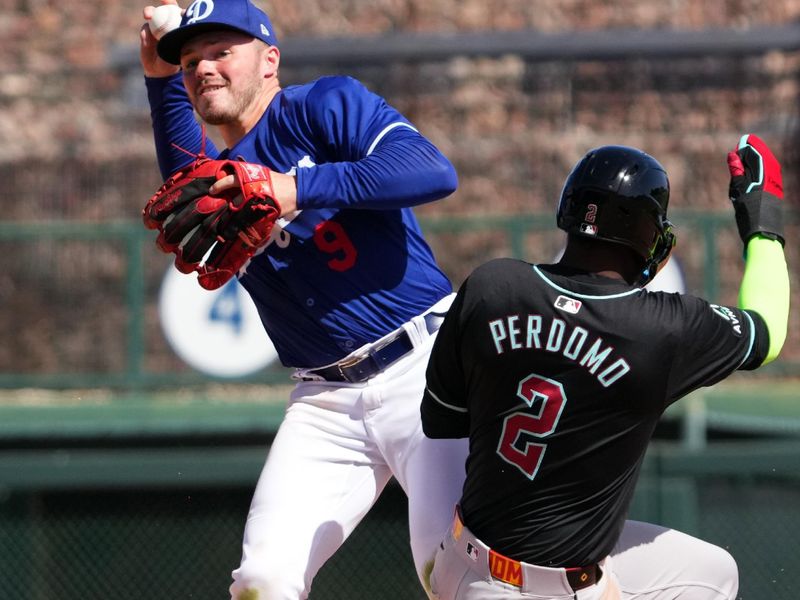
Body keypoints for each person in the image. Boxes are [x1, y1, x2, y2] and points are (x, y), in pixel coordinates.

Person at [138, 0, 469, 598]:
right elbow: (179, 160)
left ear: (269, 61)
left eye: (221, 51)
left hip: (424, 369)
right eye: (191, 60)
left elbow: (432, 170)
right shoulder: (214, 174)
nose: (204, 68)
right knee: (262, 579)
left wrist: (294, 187)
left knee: (454, 573)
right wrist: (159, 75)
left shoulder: (324, 105)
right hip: (323, 401)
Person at [421, 138, 790, 599]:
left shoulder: (491, 285)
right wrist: (764, 222)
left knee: (713, 571)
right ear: (648, 235)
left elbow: (441, 421)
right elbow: (768, 334)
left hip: (465, 559)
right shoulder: (660, 328)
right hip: (547, 589)